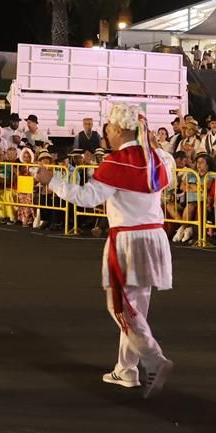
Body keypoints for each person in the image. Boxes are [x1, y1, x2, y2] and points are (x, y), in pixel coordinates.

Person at [36, 103, 174, 396]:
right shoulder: (157, 157)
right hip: (154, 237)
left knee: (122, 308)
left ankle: (154, 358)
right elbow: (168, 179)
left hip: (128, 240)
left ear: (120, 129)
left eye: (108, 128)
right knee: (137, 308)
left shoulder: (117, 162)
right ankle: (126, 370)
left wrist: (53, 181)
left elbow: (87, 197)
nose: (106, 134)